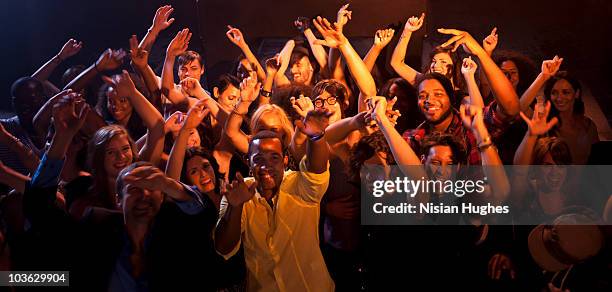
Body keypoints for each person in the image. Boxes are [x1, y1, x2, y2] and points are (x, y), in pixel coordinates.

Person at [215, 108, 334, 291]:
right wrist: (236, 206)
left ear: (285, 160)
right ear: (248, 161)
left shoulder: (298, 184)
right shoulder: (238, 192)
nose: (266, 166)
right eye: (258, 158)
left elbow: (316, 172)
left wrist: (317, 137)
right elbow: (223, 247)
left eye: (274, 158)